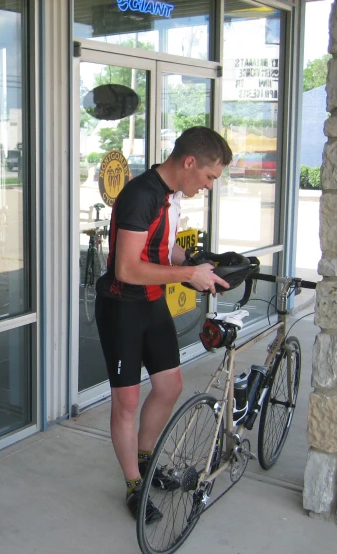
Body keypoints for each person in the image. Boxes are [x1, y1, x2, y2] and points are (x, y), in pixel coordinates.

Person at [94, 126, 232, 522]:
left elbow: (166, 246)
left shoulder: (170, 196)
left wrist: (196, 264)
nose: (208, 186)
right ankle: (134, 484)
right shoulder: (140, 195)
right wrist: (187, 277)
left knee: (170, 385)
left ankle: (146, 459)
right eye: (208, 177)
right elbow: (126, 267)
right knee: (127, 402)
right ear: (189, 162)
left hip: (152, 303)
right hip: (122, 307)